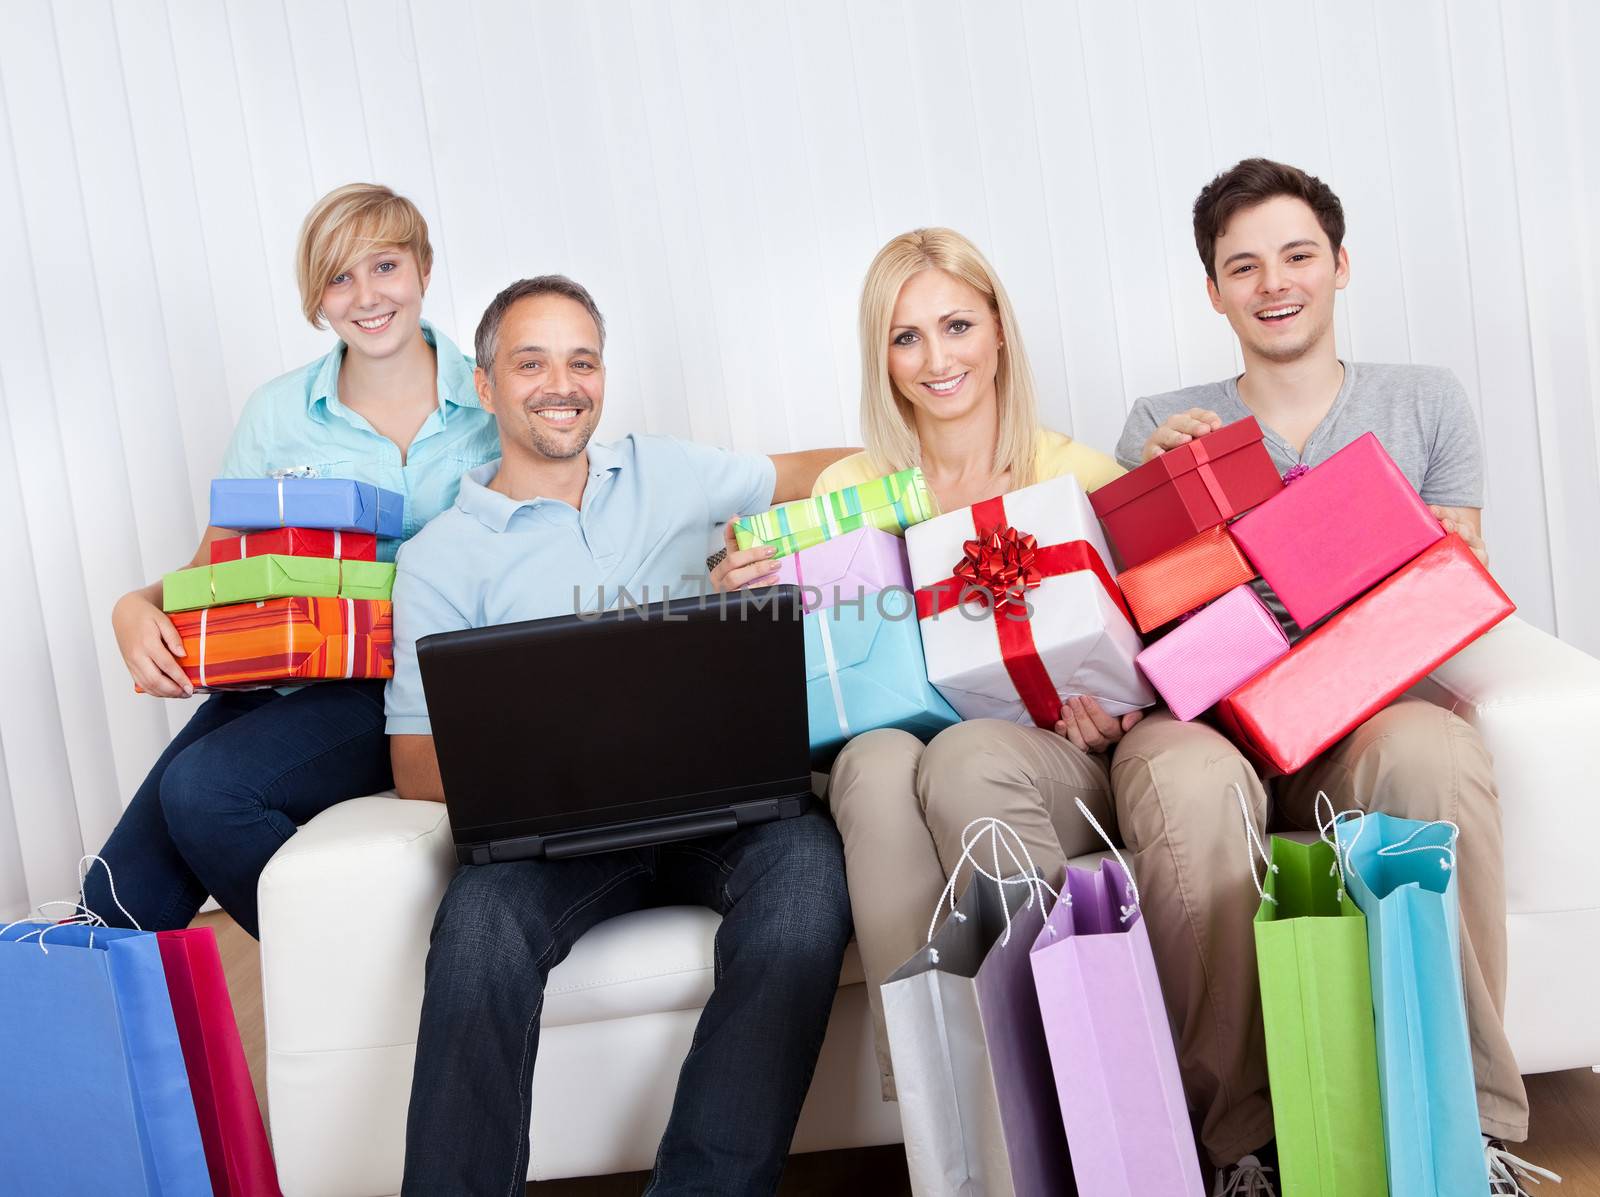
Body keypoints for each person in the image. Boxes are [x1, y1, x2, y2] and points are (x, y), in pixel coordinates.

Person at [1110, 158, 1554, 1196]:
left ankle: (1468, 1125)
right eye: (1244, 265)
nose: (1275, 282)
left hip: (1357, 720)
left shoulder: (1423, 402)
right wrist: (1162, 481)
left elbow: (1454, 587)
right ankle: (1241, 1146)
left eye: (1298, 255)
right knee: (1178, 778)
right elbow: (1147, 610)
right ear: (1212, 290)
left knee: (1434, 750)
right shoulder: (1158, 419)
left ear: (1340, 266)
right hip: (1210, 722)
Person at [386, 274, 855, 1195]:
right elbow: (411, 762)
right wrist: (559, 752)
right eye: (532, 363)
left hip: (726, 810)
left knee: (807, 891)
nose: (562, 384)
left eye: (582, 361)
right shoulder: (440, 554)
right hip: (556, 842)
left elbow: (822, 472)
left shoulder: (668, 472)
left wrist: (927, 479)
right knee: (476, 927)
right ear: (485, 386)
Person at [725, 227, 1134, 1103]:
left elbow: (1142, 656)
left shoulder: (1079, 475)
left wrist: (1115, 711)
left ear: (998, 330)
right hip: (897, 755)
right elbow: (817, 660)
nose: (936, 359)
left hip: (1049, 760)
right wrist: (747, 598)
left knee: (960, 757)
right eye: (906, 337)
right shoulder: (847, 489)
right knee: (869, 765)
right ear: (883, 357)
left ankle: (1069, 1078)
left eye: (956, 326)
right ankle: (940, 1099)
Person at [89, 183, 499, 939]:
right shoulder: (278, 413)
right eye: (340, 277)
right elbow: (218, 564)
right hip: (289, 675)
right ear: (316, 297)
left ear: (425, 269)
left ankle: (360, 966)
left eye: (384, 266)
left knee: (205, 790)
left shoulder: (494, 396)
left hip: (414, 687)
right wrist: (134, 605)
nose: (366, 296)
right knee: (111, 902)